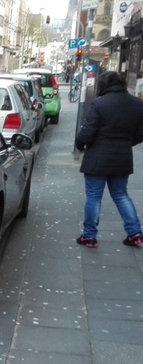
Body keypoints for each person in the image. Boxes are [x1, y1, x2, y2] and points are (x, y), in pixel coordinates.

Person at [75, 71, 143, 248]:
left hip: (97, 158)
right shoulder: (137, 104)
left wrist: (80, 145)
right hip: (122, 158)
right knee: (121, 195)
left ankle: (89, 236)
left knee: (94, 197)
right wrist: (125, 143)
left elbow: (87, 132)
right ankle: (135, 233)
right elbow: (140, 134)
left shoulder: (99, 103)